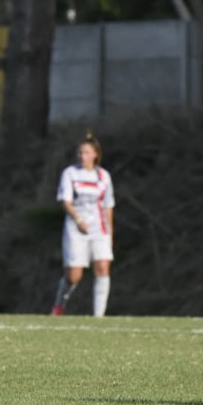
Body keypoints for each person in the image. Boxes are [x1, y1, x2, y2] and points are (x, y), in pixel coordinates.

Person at [51, 132, 116, 317]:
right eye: (80, 152)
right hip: (76, 228)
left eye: (86, 152)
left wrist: (109, 233)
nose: (82, 156)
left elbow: (108, 205)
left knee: (103, 268)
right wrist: (78, 220)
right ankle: (59, 305)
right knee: (74, 276)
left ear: (95, 154)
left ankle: (99, 316)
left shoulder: (104, 176)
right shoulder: (70, 173)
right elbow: (66, 201)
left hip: (99, 228)